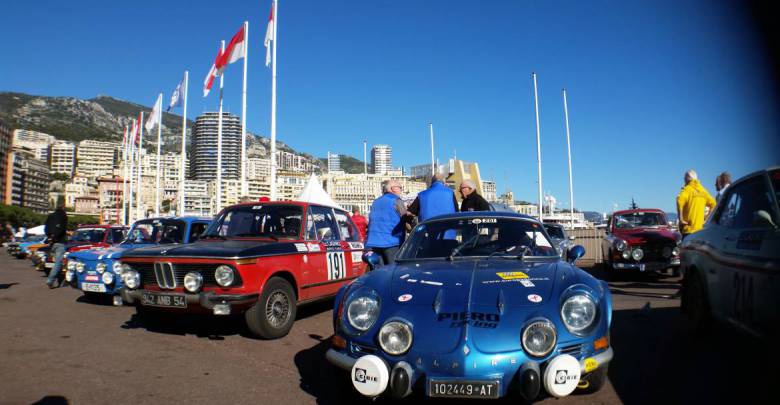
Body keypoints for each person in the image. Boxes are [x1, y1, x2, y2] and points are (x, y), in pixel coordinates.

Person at [366, 180, 406, 265]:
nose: (401, 190)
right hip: (392, 242)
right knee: (393, 271)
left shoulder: (376, 202)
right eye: (400, 188)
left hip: (375, 242)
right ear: (393, 189)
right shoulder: (396, 200)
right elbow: (405, 217)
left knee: (380, 271)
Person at [676, 169, 716, 238]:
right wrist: (706, 219)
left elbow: (679, 200)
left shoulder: (687, 189)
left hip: (688, 229)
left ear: (688, 178)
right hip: (700, 230)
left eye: (684, 178)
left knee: (686, 248)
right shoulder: (703, 190)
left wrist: (681, 219)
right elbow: (714, 203)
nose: (684, 180)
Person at [44, 201, 68, 288]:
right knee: (58, 263)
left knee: (54, 263)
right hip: (60, 242)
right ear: (63, 208)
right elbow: (61, 228)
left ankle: (59, 280)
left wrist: (50, 236)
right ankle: (51, 280)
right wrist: (55, 237)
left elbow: (46, 228)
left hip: (51, 243)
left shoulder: (50, 216)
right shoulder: (63, 216)